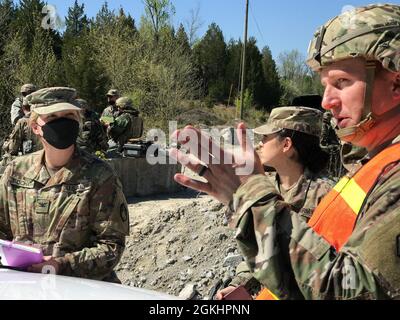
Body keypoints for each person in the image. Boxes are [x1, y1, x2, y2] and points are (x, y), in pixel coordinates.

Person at [172, 4, 400, 299]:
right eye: (325, 85)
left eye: (341, 82)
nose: (327, 101)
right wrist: (239, 199)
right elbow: (321, 259)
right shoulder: (374, 166)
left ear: (396, 83)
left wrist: (253, 196)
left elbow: (349, 292)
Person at [0, 87, 130, 282]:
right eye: (52, 117)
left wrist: (62, 264)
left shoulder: (100, 175)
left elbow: (111, 246)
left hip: (80, 287)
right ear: (35, 126)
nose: (62, 122)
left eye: (69, 114)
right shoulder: (16, 171)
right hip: (24, 285)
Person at [216, 107, 335, 300]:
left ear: (286, 144)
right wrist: (240, 285)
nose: (259, 144)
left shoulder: (327, 197)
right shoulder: (268, 190)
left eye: (265, 138)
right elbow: (262, 245)